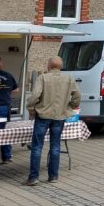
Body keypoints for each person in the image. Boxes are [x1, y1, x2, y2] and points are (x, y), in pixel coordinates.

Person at [23, 57, 80, 186]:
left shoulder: (42, 78)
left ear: (49, 65)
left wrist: (31, 109)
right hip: (59, 116)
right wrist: (70, 106)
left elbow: (35, 96)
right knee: (55, 146)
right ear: (60, 66)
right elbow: (77, 96)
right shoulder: (68, 78)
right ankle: (53, 176)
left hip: (43, 116)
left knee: (37, 146)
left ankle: (33, 178)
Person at [0, 55, 19, 168]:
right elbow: (16, 90)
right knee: (4, 132)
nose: (2, 64)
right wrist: (4, 93)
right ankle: (6, 157)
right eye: (1, 63)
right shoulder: (7, 75)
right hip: (6, 108)